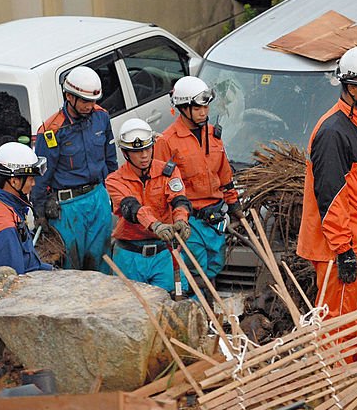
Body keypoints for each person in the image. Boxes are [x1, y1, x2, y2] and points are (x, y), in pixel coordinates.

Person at [297, 47, 357, 324]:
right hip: (341, 252)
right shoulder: (333, 133)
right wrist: (344, 252)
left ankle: (352, 368)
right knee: (337, 329)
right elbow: (331, 198)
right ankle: (335, 370)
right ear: (351, 88)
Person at [154, 76, 241, 286]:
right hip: (190, 221)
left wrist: (234, 205)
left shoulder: (214, 136)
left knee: (214, 265)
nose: (204, 112)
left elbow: (224, 175)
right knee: (195, 271)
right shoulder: (167, 142)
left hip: (215, 220)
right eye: (197, 108)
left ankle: (207, 304)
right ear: (183, 108)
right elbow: (160, 186)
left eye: (206, 107)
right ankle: (199, 307)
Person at [32, 66, 118, 272]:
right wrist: (40, 210)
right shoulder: (51, 131)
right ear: (69, 97)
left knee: (102, 259)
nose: (90, 106)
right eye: (85, 101)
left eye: (93, 101)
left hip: (98, 198)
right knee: (72, 265)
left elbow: (110, 160)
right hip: (68, 207)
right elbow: (42, 175)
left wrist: (113, 192)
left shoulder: (102, 117)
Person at [106, 119, 192, 295]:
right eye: (137, 151)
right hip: (129, 255)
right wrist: (156, 225)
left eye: (147, 148)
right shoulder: (115, 180)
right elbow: (132, 208)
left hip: (163, 253)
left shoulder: (168, 171)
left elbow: (179, 199)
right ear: (125, 153)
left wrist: (182, 221)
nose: (144, 155)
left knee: (172, 303)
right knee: (128, 307)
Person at [0, 142, 53, 274]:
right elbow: (13, 280)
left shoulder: (7, 205)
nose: (33, 183)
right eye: (31, 178)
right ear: (14, 181)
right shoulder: (5, 227)